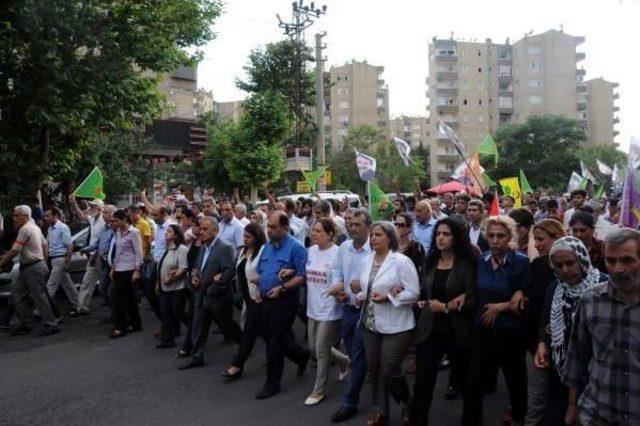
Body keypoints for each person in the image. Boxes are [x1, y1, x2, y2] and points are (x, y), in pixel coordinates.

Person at [564, 228, 640, 425]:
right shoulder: (590, 300)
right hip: (597, 414)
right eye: (610, 261)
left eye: (627, 260)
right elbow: (576, 356)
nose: (617, 269)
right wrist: (572, 405)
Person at [532, 236, 608, 425]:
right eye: (558, 265)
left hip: (594, 375)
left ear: (582, 259)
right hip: (560, 372)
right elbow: (544, 321)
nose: (565, 270)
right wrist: (542, 344)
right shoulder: (556, 288)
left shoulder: (604, 287)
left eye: (570, 263)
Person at [463, 216, 530, 425]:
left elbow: (526, 298)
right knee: (473, 382)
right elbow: (474, 291)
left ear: (510, 237)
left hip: (510, 332)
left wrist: (502, 307)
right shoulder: (481, 261)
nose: (495, 240)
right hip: (483, 331)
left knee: (515, 380)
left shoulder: (521, 262)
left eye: (500, 236)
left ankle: (519, 415)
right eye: (490, 236)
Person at [411, 218, 476, 425]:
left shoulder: (467, 264)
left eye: (446, 234)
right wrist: (419, 300)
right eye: (438, 233)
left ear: (456, 238)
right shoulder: (430, 260)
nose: (440, 237)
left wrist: (447, 307)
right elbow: (425, 290)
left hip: (458, 330)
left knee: (466, 382)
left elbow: (474, 297)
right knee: (423, 382)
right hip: (430, 329)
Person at [355, 221, 420, 426]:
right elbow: (366, 286)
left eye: (379, 235)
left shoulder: (401, 261)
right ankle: (381, 412)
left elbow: (414, 292)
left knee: (390, 369)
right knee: (373, 369)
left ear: (390, 238)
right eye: (372, 234)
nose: (373, 238)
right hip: (370, 324)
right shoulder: (367, 260)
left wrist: (389, 298)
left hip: (397, 325)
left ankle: (407, 403)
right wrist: (359, 295)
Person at [254, 211, 311, 399]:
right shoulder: (268, 246)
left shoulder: (296, 248)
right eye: (268, 226)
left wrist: (283, 288)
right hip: (265, 300)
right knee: (270, 337)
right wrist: (258, 290)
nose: (268, 231)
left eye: (273, 227)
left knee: (275, 344)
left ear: (285, 228)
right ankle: (301, 355)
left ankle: (273, 383)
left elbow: (302, 276)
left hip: (284, 300)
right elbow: (262, 272)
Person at [329, 209, 373, 423]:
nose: (352, 227)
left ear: (368, 227)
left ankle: (349, 403)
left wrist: (362, 289)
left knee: (356, 355)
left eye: (357, 224)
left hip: (368, 310)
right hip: (347, 307)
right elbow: (337, 270)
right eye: (350, 223)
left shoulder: (375, 249)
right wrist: (337, 285)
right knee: (355, 352)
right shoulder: (344, 247)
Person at [179, 217, 240, 369]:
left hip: (217, 298)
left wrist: (213, 288)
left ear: (215, 230)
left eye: (206, 229)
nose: (202, 232)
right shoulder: (203, 247)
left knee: (228, 326)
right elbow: (198, 267)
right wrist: (194, 277)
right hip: (201, 295)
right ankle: (196, 357)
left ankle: (244, 345)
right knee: (198, 327)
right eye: (201, 228)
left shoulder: (224, 247)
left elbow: (229, 272)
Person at [524, 219, 566, 425]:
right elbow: (529, 294)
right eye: (535, 240)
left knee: (561, 397)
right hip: (536, 341)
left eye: (541, 240)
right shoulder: (537, 265)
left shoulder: (572, 270)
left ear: (557, 239)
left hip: (565, 345)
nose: (537, 245)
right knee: (537, 397)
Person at [303, 218, 350, 406]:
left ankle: (318, 390)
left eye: (318, 231)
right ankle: (344, 360)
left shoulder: (338, 254)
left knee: (321, 350)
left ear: (330, 234)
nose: (313, 233)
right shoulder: (311, 251)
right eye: (312, 230)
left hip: (330, 308)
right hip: (312, 307)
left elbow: (345, 278)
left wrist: (339, 289)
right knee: (314, 348)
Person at [0, 205, 59, 336]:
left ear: (26, 216)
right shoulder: (34, 227)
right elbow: (44, 245)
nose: (14, 218)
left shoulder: (25, 229)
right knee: (17, 295)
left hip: (32, 267)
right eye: (14, 215)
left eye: (17, 216)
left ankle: (51, 324)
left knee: (39, 297)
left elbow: (15, 250)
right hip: (30, 266)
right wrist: (43, 261)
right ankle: (24, 323)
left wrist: (2, 263)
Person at [222, 223, 266, 381]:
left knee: (249, 332)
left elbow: (266, 273)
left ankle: (237, 365)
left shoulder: (263, 251)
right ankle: (300, 355)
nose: (245, 240)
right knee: (271, 336)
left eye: (249, 237)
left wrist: (260, 284)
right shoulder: (242, 251)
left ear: (257, 237)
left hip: (258, 299)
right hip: (247, 299)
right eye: (244, 237)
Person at [109, 209, 143, 339]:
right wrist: (113, 267)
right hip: (119, 268)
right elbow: (117, 252)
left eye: (116, 221)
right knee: (129, 298)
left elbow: (138, 252)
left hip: (129, 269)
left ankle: (120, 326)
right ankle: (136, 324)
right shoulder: (118, 232)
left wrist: (137, 270)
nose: (114, 223)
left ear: (124, 220)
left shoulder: (134, 232)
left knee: (117, 297)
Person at [70, 195, 106, 317]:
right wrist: (74, 203)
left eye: (93, 206)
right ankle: (82, 307)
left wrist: (95, 251)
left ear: (100, 208)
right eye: (90, 206)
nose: (90, 208)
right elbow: (81, 216)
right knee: (87, 282)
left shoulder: (104, 221)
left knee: (106, 284)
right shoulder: (93, 219)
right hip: (93, 256)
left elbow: (104, 240)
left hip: (102, 256)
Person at [155, 224, 189, 348]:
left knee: (178, 312)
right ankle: (167, 340)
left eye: (169, 232)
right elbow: (161, 266)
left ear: (175, 235)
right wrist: (158, 283)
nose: (166, 233)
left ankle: (194, 329)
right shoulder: (167, 248)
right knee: (166, 313)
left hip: (177, 287)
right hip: (165, 288)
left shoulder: (181, 249)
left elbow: (183, 267)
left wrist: (172, 278)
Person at [44, 207, 80, 312]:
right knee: (67, 284)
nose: (45, 218)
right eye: (45, 215)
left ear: (55, 216)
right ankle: (79, 305)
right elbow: (47, 245)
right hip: (54, 259)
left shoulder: (62, 227)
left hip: (60, 259)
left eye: (48, 215)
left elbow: (69, 245)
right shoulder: (50, 228)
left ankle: (42, 310)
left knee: (51, 285)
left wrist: (68, 262)